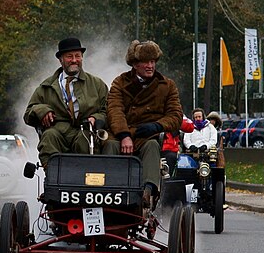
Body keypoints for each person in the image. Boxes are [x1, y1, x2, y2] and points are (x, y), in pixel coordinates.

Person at [106, 40, 183, 209]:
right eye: (146, 62)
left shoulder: (167, 86)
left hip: (147, 135)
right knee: (109, 145)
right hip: (121, 134)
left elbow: (176, 115)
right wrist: (124, 135)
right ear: (134, 64)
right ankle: (108, 192)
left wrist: (157, 125)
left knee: (152, 147)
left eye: (153, 61)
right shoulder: (120, 82)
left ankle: (148, 192)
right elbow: (114, 110)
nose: (150, 66)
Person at [24, 37, 118, 167]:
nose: (74, 60)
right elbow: (28, 113)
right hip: (58, 132)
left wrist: (96, 118)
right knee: (49, 136)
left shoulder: (97, 84)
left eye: (77, 56)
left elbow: (108, 110)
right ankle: (53, 177)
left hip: (85, 132)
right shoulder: (46, 87)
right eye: (69, 56)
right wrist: (41, 110)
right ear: (60, 59)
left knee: (84, 139)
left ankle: (85, 180)